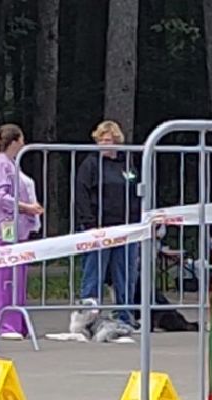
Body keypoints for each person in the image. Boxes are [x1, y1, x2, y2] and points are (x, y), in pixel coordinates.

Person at [74, 120, 142, 323]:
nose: (105, 144)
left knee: (125, 274)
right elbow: (82, 193)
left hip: (126, 227)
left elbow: (136, 190)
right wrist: (88, 223)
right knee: (93, 273)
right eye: (101, 140)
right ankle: (88, 317)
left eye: (109, 140)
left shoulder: (127, 163)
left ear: (117, 141)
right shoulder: (90, 164)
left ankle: (125, 314)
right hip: (98, 227)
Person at [0, 124, 44, 341]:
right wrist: (26, 207)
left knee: (16, 276)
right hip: (3, 227)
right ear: (15, 141)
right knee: (4, 278)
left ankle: (17, 322)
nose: (24, 144)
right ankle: (4, 324)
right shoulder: (0, 165)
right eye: (22, 139)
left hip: (16, 228)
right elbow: (0, 196)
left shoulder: (10, 164)